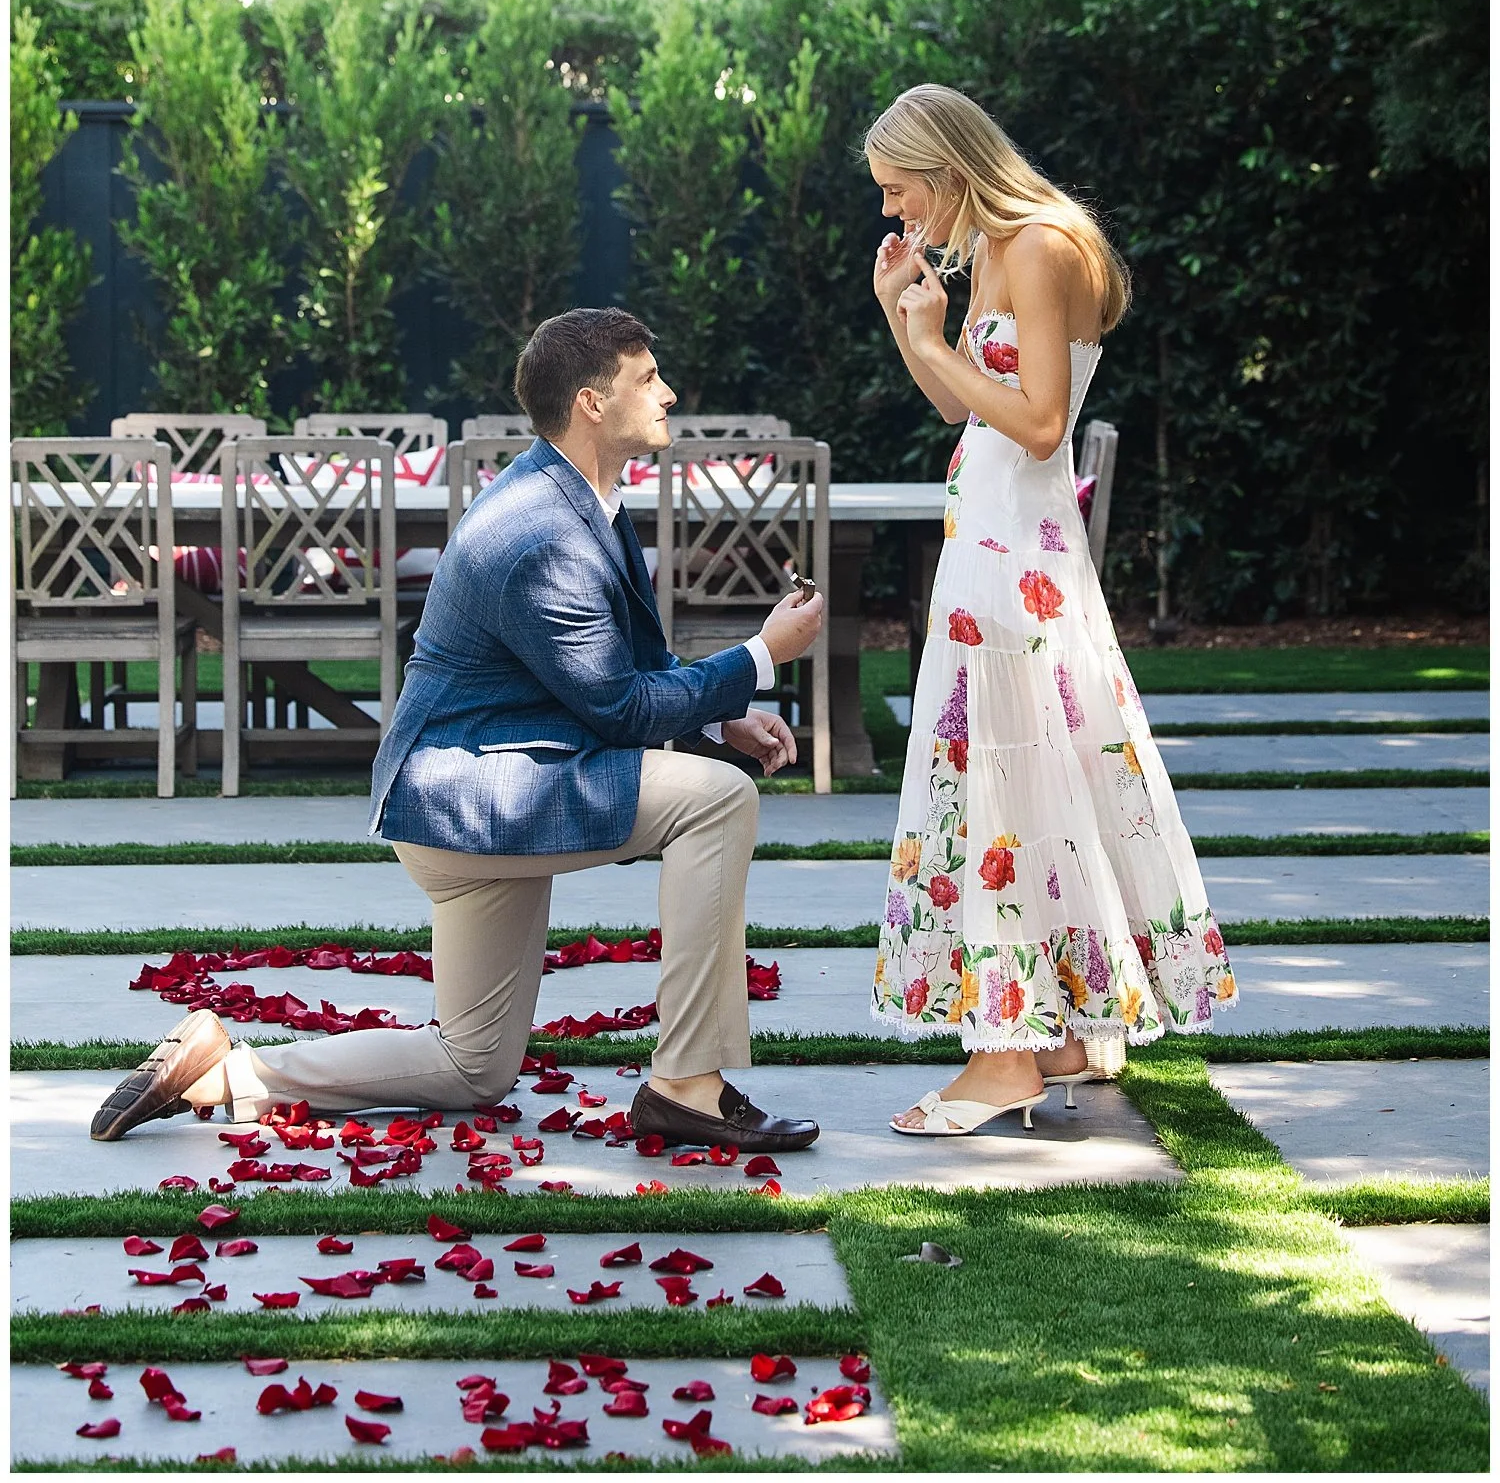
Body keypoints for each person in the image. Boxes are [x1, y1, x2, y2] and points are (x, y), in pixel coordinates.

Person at [92, 308, 826, 1155]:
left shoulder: (580, 497)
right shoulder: (538, 532)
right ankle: (688, 1084)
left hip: (478, 791)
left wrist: (722, 711)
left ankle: (228, 1074)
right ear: (592, 403)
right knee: (718, 801)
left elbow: (630, 664)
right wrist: (760, 656)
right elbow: (619, 709)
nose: (668, 392)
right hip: (476, 795)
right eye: (646, 377)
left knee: (472, 1065)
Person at [864, 85, 1236, 1135]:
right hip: (996, 543)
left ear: (945, 167)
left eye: (901, 193)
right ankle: (1062, 1031)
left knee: (1004, 787)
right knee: (1031, 775)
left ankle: (1006, 1056)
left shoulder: (1036, 243)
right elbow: (954, 400)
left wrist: (933, 338)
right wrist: (909, 314)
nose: (898, 216)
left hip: (1012, 554)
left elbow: (1035, 422)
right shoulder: (993, 246)